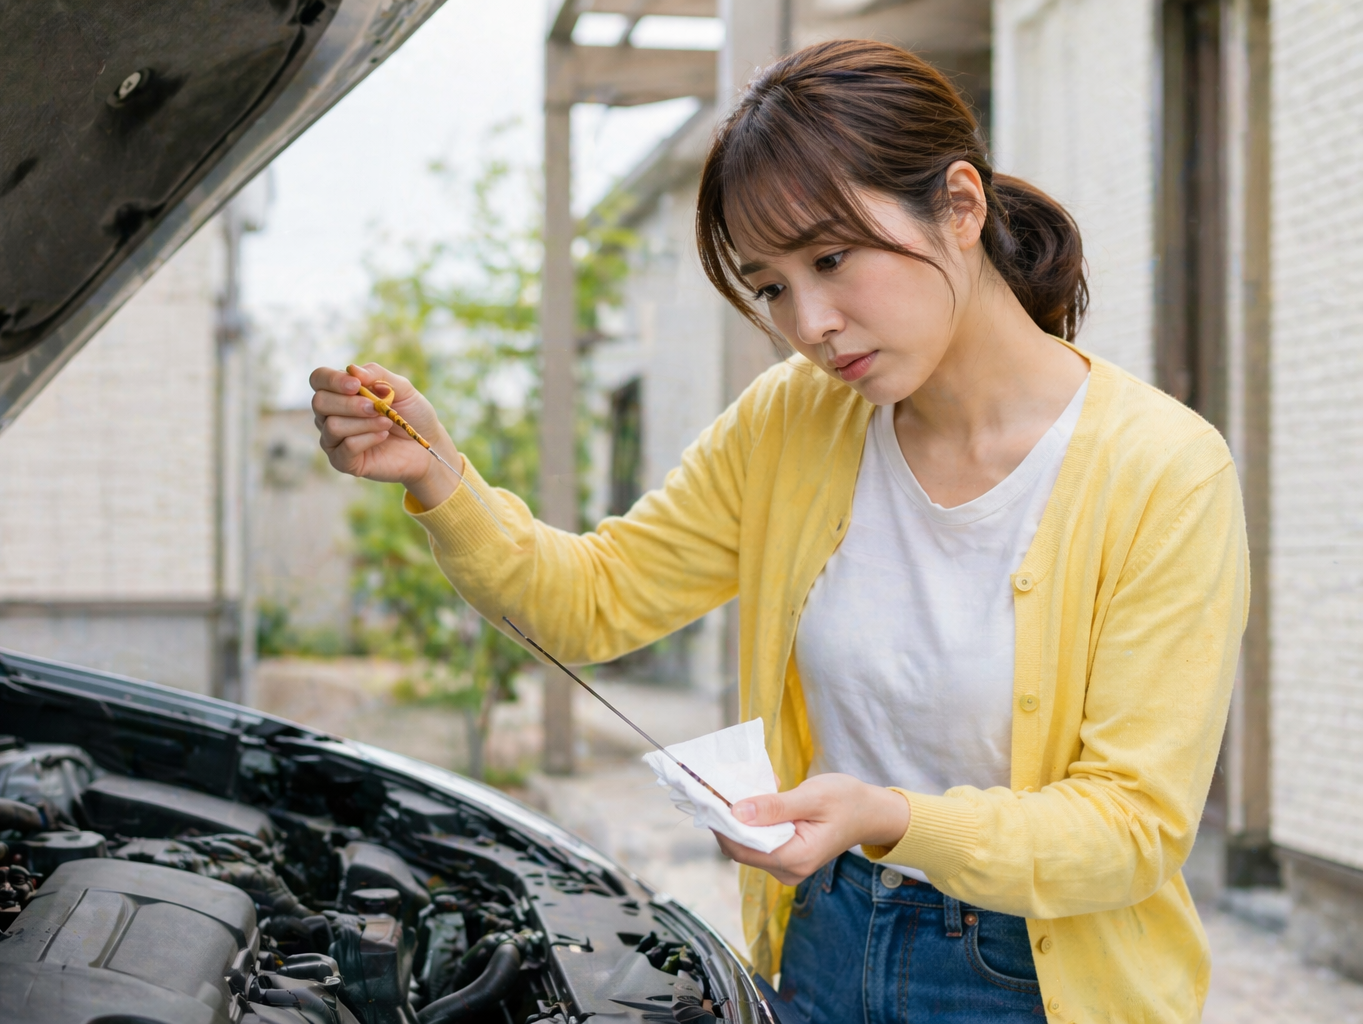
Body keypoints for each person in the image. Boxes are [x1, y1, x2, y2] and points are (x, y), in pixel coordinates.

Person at [310, 39, 1247, 1024]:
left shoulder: (1164, 471)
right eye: (771, 287)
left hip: (1036, 980)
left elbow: (1131, 829)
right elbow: (591, 602)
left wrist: (889, 818)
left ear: (960, 206)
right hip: (824, 938)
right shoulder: (791, 420)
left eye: (832, 258)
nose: (811, 321)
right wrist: (441, 476)